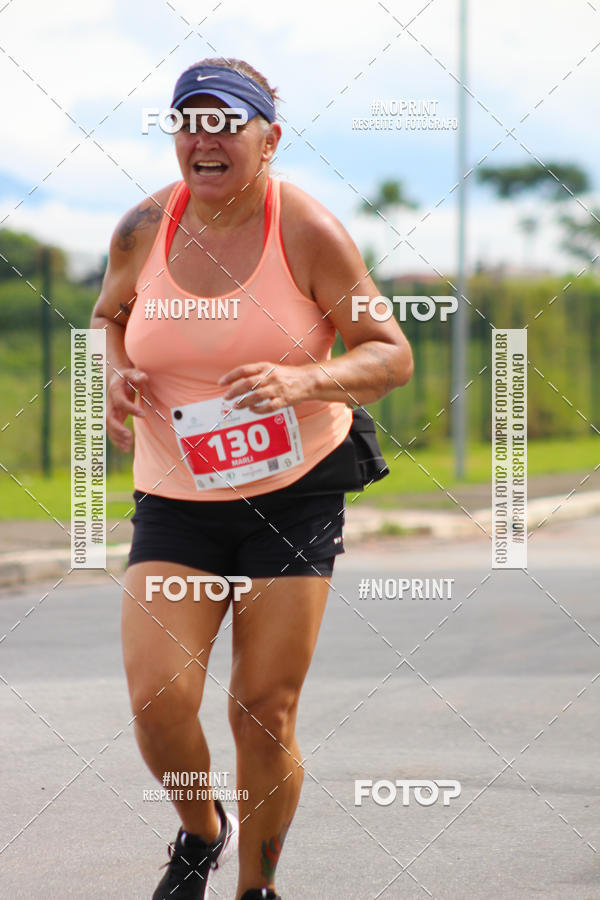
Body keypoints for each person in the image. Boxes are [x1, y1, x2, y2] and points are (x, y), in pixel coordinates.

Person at [91, 57, 413, 900]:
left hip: (293, 492)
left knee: (262, 709)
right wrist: (115, 373)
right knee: (159, 701)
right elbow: (106, 318)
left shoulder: (306, 230)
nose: (205, 137)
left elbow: (390, 355)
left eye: (227, 121)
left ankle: (256, 887)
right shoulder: (141, 228)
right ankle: (202, 830)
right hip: (176, 496)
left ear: (268, 140)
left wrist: (304, 379)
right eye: (189, 121)